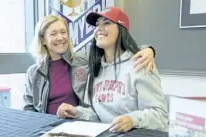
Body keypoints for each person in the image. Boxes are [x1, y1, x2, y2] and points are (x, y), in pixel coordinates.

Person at [57, 7, 168, 132]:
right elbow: (97, 115)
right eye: (97, 24)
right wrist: (76, 112)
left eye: (107, 23)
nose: (99, 28)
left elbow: (161, 116)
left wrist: (132, 120)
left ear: (121, 30)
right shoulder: (95, 69)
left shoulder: (141, 63)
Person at [23, 14, 156, 115]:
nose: (60, 37)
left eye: (63, 32)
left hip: (79, 123)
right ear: (43, 40)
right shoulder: (33, 72)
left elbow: (118, 51)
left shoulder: (83, 59)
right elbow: (29, 109)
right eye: (53, 34)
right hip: (45, 128)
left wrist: (149, 49)